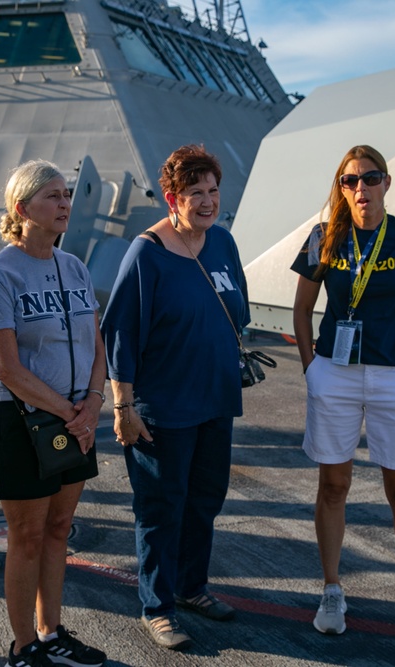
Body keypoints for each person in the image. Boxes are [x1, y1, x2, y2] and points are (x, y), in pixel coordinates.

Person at [290, 145, 395, 638]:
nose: (361, 188)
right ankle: (333, 589)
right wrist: (310, 366)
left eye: (370, 178)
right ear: (341, 187)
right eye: (350, 180)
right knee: (333, 485)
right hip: (334, 373)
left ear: (386, 181)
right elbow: (302, 310)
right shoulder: (325, 238)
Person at [101, 145, 249, 651]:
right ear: (172, 198)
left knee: (205, 501)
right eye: (195, 193)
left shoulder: (222, 243)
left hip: (215, 400)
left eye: (212, 191)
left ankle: (191, 588)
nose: (207, 202)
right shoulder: (148, 253)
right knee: (162, 507)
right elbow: (119, 333)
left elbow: (238, 312)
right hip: (163, 408)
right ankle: (157, 607)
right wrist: (123, 407)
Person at [0, 159, 107, 667]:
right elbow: (6, 367)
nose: (64, 204)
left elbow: (98, 346)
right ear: (21, 207)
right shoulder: (0, 273)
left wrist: (93, 404)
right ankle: (23, 645)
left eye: (66, 194)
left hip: (77, 417)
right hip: (22, 421)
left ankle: (51, 632)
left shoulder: (74, 266)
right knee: (27, 535)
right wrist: (70, 412)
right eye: (52, 196)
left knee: (59, 529)